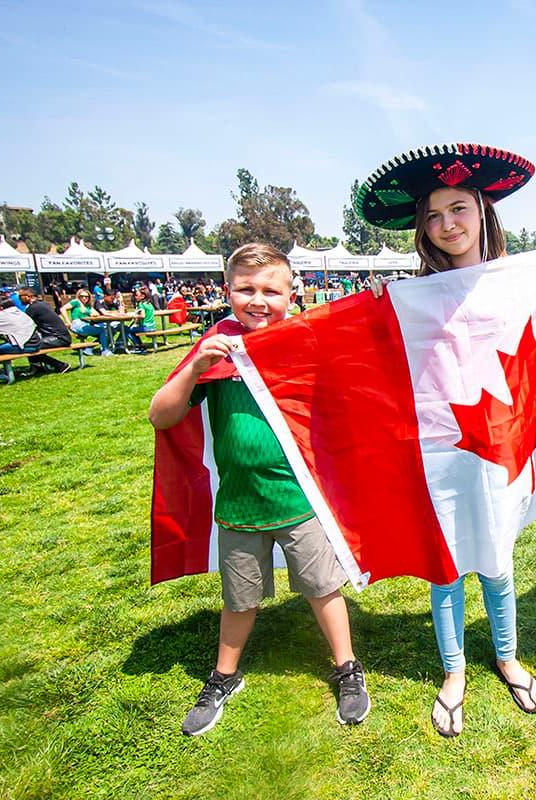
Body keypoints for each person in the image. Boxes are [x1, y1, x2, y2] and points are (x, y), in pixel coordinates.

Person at [357, 143, 536, 737]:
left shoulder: (520, 282)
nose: (446, 225)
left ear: (483, 210)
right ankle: (454, 670)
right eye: (433, 216)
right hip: (436, 446)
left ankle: (508, 656)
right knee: (445, 564)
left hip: (498, 443)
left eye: (458, 209)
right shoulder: (408, 297)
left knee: (495, 557)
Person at [148, 243, 370, 735]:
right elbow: (160, 415)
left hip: (298, 499)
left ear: (292, 294)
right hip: (239, 504)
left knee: (322, 588)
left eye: (271, 290)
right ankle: (224, 676)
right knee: (239, 598)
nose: (258, 299)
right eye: (245, 288)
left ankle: (347, 667)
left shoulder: (305, 340)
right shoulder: (217, 346)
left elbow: (358, 378)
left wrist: (371, 308)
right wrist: (194, 369)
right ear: (226, 291)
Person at [0, 298, 42, 386]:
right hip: (37, 344)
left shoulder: (3, 314)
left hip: (26, 346)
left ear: (1, 307)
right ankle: (3, 373)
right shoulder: (20, 313)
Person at [18, 286, 73, 374]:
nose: (19, 299)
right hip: (62, 336)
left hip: (58, 338)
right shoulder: (41, 304)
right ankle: (37, 367)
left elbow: (24, 325)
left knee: (29, 346)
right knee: (30, 344)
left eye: (20, 296)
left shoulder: (33, 308)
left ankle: (60, 365)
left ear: (28, 296)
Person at [61, 287, 113, 357]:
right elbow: (62, 309)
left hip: (86, 325)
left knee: (110, 331)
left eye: (86, 297)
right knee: (103, 331)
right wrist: (68, 322)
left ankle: (89, 348)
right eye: (82, 296)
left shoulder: (88, 306)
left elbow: (96, 313)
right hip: (78, 324)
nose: (84, 298)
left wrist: (92, 313)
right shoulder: (76, 302)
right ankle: (105, 350)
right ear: (78, 296)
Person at [125, 286, 157, 353]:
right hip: (153, 327)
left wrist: (135, 315)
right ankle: (140, 345)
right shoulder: (149, 304)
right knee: (133, 329)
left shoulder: (141, 304)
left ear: (142, 296)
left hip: (146, 327)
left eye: (136, 295)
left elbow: (142, 315)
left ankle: (138, 346)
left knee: (127, 329)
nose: (135, 297)